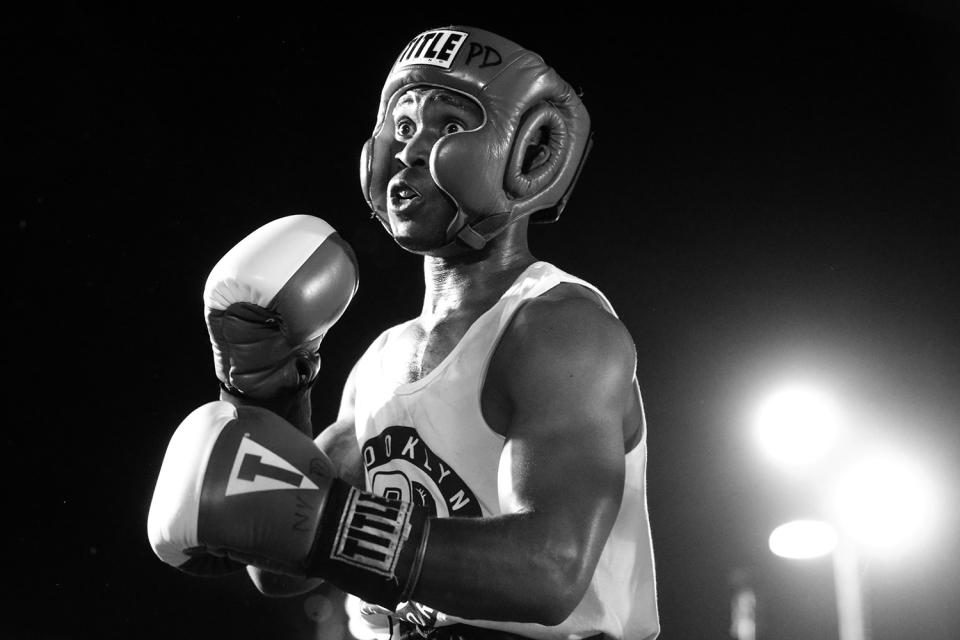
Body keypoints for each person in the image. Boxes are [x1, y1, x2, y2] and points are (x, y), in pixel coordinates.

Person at [147, 26, 659, 640]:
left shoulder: (560, 329)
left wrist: (330, 526)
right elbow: (282, 569)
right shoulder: (381, 363)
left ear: (528, 155)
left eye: (448, 126)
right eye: (405, 125)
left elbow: (551, 570)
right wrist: (267, 389)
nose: (413, 149)